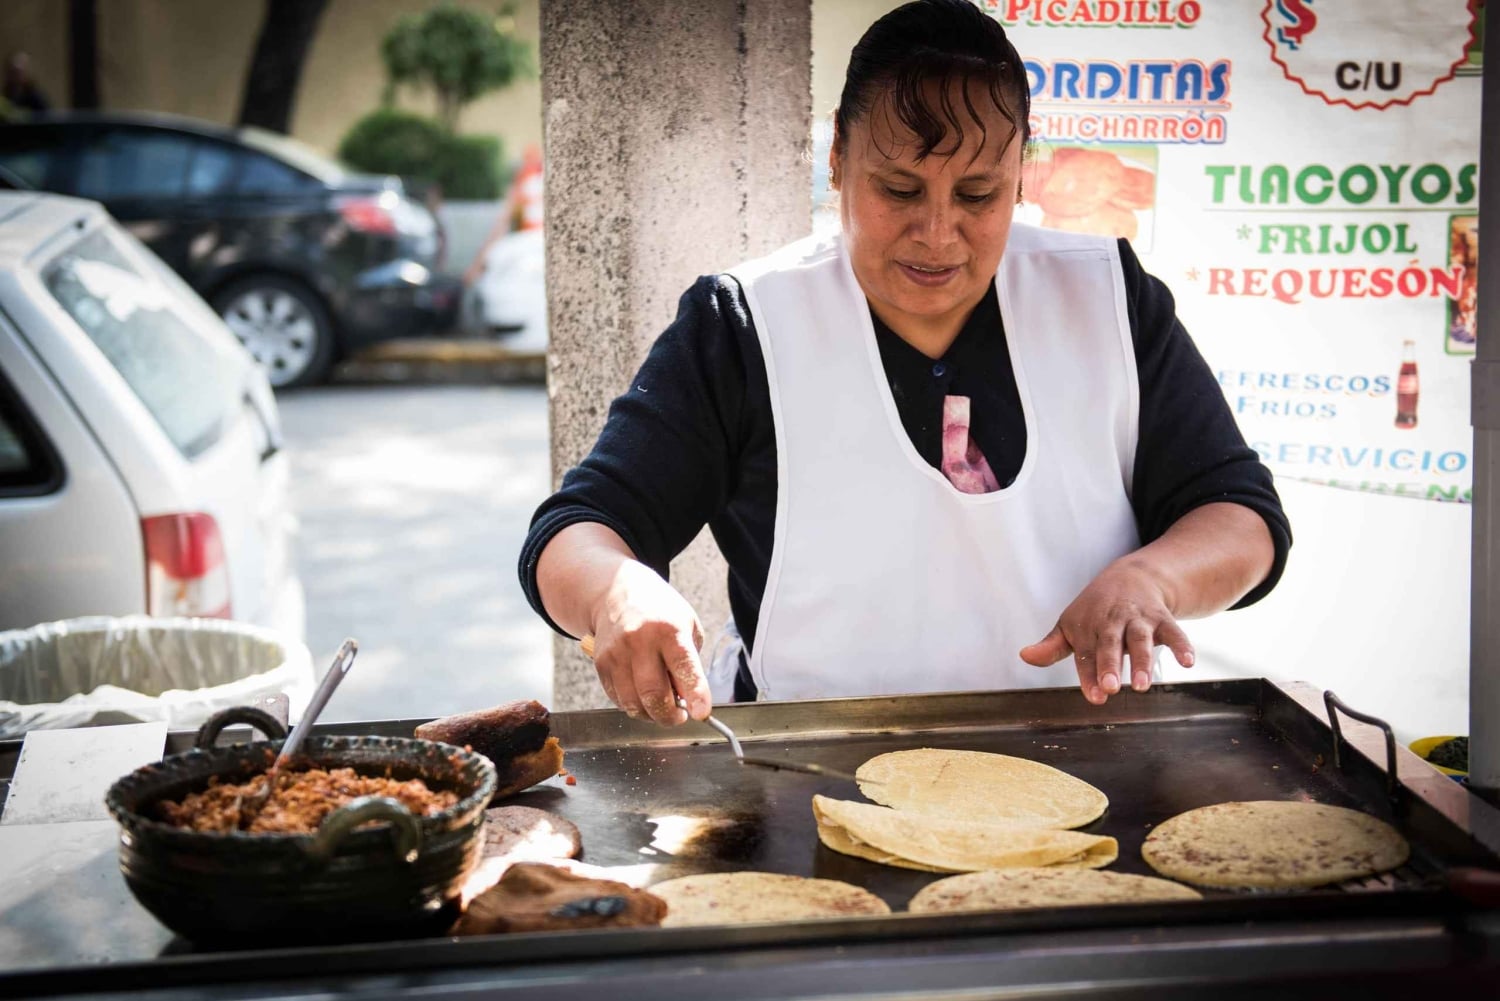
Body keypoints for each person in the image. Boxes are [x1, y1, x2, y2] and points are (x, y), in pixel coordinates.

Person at [520, 0, 1290, 726]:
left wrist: (1152, 578)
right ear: (837, 160)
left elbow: (1241, 516)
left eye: (979, 194)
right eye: (899, 188)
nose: (937, 232)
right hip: (805, 774)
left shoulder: (1107, 298)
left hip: (1079, 753)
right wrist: (617, 592)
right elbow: (577, 529)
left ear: (1023, 173)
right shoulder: (747, 325)